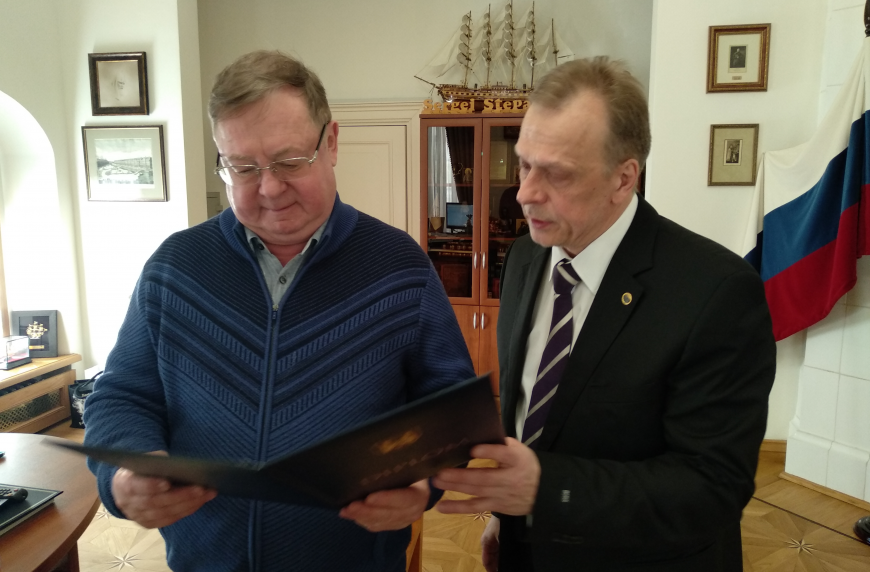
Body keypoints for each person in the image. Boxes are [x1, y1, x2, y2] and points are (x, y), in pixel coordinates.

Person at [83, 50, 474, 572]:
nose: (269, 187)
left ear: (331, 143)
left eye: (290, 162)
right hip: (204, 561)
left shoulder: (400, 266)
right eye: (242, 168)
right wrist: (126, 473)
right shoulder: (175, 266)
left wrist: (423, 481)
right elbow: (122, 394)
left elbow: (450, 407)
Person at [434, 57, 776, 572]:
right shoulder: (526, 256)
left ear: (624, 178)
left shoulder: (718, 292)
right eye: (525, 164)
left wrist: (546, 491)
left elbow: (712, 488)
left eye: (556, 173)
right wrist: (509, 517)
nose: (524, 193)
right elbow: (529, 413)